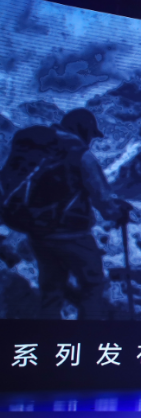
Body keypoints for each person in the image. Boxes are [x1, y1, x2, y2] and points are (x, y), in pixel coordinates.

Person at [0, 108, 132, 319]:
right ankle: (88, 334)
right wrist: (116, 214)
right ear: (83, 129)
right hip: (73, 235)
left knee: (51, 289)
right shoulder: (79, 152)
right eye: (91, 135)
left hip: (38, 234)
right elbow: (101, 196)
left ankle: (49, 335)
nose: (91, 140)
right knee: (92, 284)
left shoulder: (34, 147)